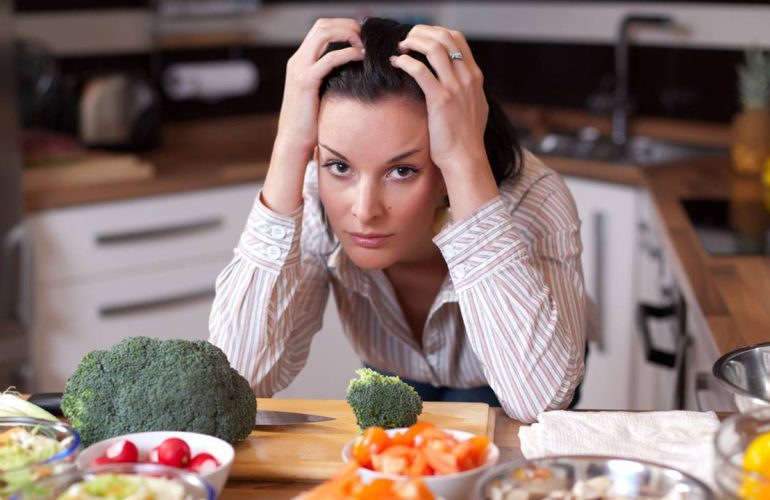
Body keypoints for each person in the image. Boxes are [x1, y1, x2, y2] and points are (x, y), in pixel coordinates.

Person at [209, 17, 587, 422]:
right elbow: (237, 379)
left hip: (515, 379)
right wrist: (288, 145)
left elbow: (539, 403)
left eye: (402, 171)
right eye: (339, 165)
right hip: (392, 373)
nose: (364, 209)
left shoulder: (533, 200)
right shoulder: (313, 193)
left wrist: (464, 160)